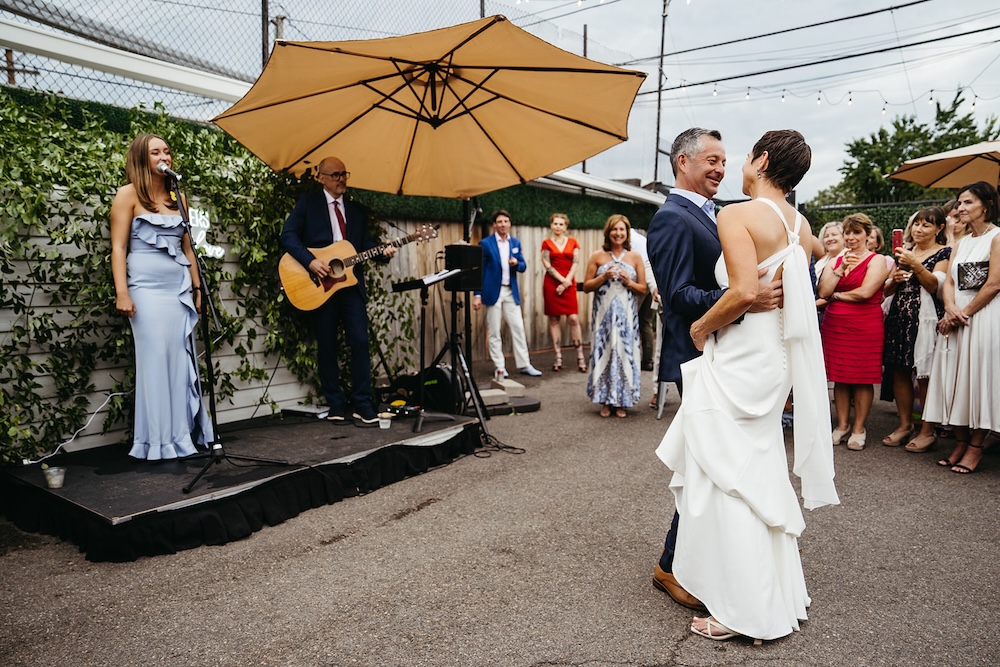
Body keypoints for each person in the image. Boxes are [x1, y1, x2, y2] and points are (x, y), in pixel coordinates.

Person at [655, 130, 839, 643]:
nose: (729, 165)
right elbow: (821, 274)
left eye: (736, 157)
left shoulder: (737, 215)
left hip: (739, 359)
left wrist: (698, 329)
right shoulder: (800, 225)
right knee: (754, 469)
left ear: (760, 160)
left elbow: (742, 290)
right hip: (773, 359)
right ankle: (772, 591)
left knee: (727, 478)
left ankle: (744, 609)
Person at [645, 127, 781, 612]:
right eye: (712, 160)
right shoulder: (671, 219)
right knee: (706, 466)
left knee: (716, 467)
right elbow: (677, 296)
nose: (721, 169)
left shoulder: (719, 213)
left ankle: (701, 558)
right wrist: (742, 300)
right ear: (682, 161)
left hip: (729, 352)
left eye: (725, 161)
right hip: (698, 355)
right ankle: (669, 565)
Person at [110, 133, 213, 460]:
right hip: (145, 291)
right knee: (155, 362)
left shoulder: (178, 199)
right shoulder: (127, 195)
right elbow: (118, 247)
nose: (164, 156)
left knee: (179, 363)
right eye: (156, 152)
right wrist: (122, 292)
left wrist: (197, 289)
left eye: (166, 150)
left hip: (177, 291)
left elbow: (188, 248)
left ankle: (180, 437)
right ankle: (155, 443)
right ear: (142, 159)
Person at [280, 156, 396, 426]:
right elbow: (288, 235)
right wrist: (311, 261)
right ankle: (335, 404)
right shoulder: (309, 203)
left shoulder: (355, 211)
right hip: (320, 284)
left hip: (350, 286)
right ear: (321, 177)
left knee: (359, 342)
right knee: (327, 344)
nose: (341, 179)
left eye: (344, 174)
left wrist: (384, 252)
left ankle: (362, 404)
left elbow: (365, 245)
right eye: (335, 175)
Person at [923, 181, 1000, 474]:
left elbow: (994, 282)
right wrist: (950, 308)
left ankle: (976, 448)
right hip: (957, 313)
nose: (960, 208)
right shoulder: (962, 242)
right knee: (954, 377)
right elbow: (950, 281)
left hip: (984, 315)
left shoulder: (997, 238)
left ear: (987, 204)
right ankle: (960, 440)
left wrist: (963, 312)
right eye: (959, 203)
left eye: (967, 202)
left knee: (979, 377)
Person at [817, 213, 890, 450]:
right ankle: (841, 425)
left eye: (856, 232)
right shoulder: (835, 261)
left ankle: (859, 427)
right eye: (847, 232)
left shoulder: (876, 260)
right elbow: (823, 292)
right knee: (840, 377)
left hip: (865, 324)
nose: (850, 237)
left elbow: (866, 292)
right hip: (835, 325)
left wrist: (837, 295)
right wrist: (839, 272)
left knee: (862, 377)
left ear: (868, 235)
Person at [880, 207, 950, 449]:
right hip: (900, 315)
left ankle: (927, 430)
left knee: (925, 375)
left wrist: (916, 266)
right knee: (899, 370)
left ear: (939, 228)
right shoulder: (905, 251)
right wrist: (894, 280)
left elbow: (935, 286)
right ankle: (904, 424)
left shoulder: (944, 253)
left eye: (926, 225)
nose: (919, 229)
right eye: (917, 224)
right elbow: (886, 290)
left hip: (925, 319)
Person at [582, 214, 647, 418]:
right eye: (614, 229)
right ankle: (604, 400)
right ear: (608, 232)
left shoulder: (635, 257)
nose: (618, 233)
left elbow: (643, 289)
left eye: (622, 230)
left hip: (627, 316)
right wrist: (603, 276)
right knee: (605, 352)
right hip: (603, 316)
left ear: (627, 233)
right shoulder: (597, 256)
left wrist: (629, 281)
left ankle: (623, 401)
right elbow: (585, 287)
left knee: (624, 353)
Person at [472, 210, 543, 378]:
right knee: (494, 330)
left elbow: (523, 266)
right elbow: (479, 270)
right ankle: (500, 367)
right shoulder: (486, 243)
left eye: (506, 221)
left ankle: (525, 364)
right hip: (492, 291)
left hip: (510, 291)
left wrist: (516, 262)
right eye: (499, 221)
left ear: (510, 224)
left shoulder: (515, 242)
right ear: (494, 225)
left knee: (518, 327)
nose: (503, 224)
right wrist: (477, 294)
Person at [540, 213, 585, 372]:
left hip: (569, 282)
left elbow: (575, 262)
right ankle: (558, 355)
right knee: (554, 320)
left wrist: (567, 282)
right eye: (555, 224)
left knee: (573, 318)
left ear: (565, 226)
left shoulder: (573, 242)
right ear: (551, 226)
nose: (558, 227)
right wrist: (561, 281)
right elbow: (546, 263)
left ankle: (580, 355)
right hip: (552, 283)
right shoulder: (546, 243)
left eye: (561, 224)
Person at [629, 228, 659, 372]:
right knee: (645, 321)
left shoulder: (629, 240)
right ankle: (648, 361)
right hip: (651, 278)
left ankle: (630, 359)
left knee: (630, 319)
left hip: (641, 279)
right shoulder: (641, 238)